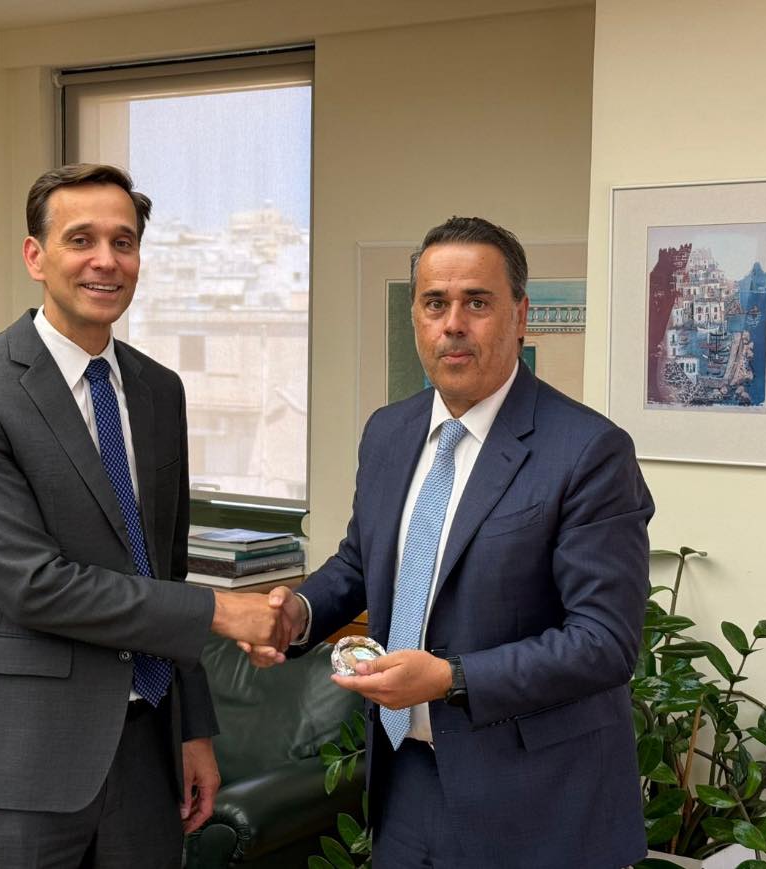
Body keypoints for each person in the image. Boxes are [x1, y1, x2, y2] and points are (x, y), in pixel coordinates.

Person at [246, 217, 655, 868]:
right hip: (406, 782)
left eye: (477, 303)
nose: (453, 324)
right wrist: (298, 612)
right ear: (416, 316)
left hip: (539, 803)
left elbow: (603, 642)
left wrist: (450, 679)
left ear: (520, 315)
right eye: (435, 303)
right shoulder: (388, 432)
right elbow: (362, 561)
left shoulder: (588, 451)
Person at [0, 163, 291, 869]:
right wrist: (221, 612)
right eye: (81, 239)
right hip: (19, 760)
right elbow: (33, 585)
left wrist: (193, 728)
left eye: (124, 242)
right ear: (36, 256)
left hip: (147, 754)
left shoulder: (159, 390)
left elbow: (163, 568)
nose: (106, 260)